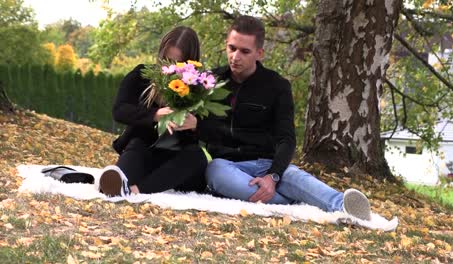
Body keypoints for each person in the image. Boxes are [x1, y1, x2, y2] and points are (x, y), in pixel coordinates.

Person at [191, 16, 372, 220]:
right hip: (227, 165)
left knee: (294, 175)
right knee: (215, 171)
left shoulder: (277, 86)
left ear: (260, 53)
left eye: (244, 51)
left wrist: (273, 175)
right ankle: (289, 203)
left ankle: (344, 206)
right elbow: (202, 129)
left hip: (266, 163)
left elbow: (286, 138)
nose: (235, 56)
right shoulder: (209, 82)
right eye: (231, 48)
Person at [99, 26, 207, 196]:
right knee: (135, 147)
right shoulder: (142, 75)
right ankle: (117, 182)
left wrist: (196, 125)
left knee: (196, 157)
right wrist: (154, 115)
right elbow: (119, 110)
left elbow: (216, 131)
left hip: (178, 162)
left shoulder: (201, 86)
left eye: (176, 63)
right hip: (144, 150)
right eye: (165, 60)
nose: (168, 68)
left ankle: (136, 190)